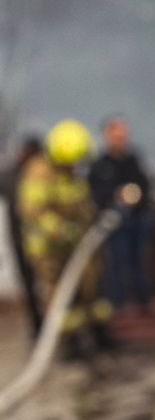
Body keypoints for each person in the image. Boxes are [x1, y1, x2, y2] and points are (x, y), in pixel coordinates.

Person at [17, 119, 111, 357]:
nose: (75, 167)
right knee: (60, 298)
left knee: (91, 289)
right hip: (49, 250)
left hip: (77, 245)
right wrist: (62, 231)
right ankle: (69, 345)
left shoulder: (72, 174)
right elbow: (34, 213)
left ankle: (99, 334)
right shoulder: (39, 173)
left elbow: (81, 204)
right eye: (72, 162)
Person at [89, 115, 153, 313]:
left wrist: (135, 196)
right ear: (108, 137)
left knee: (138, 261)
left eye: (123, 136)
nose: (121, 140)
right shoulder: (100, 165)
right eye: (117, 136)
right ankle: (118, 305)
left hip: (138, 218)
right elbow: (96, 194)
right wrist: (115, 197)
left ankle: (143, 302)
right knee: (117, 262)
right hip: (114, 221)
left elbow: (145, 186)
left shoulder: (133, 160)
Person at [6, 134, 46, 336]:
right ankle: (38, 328)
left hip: (45, 242)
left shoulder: (45, 175)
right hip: (21, 240)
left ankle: (55, 329)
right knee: (30, 286)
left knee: (50, 286)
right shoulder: (11, 175)